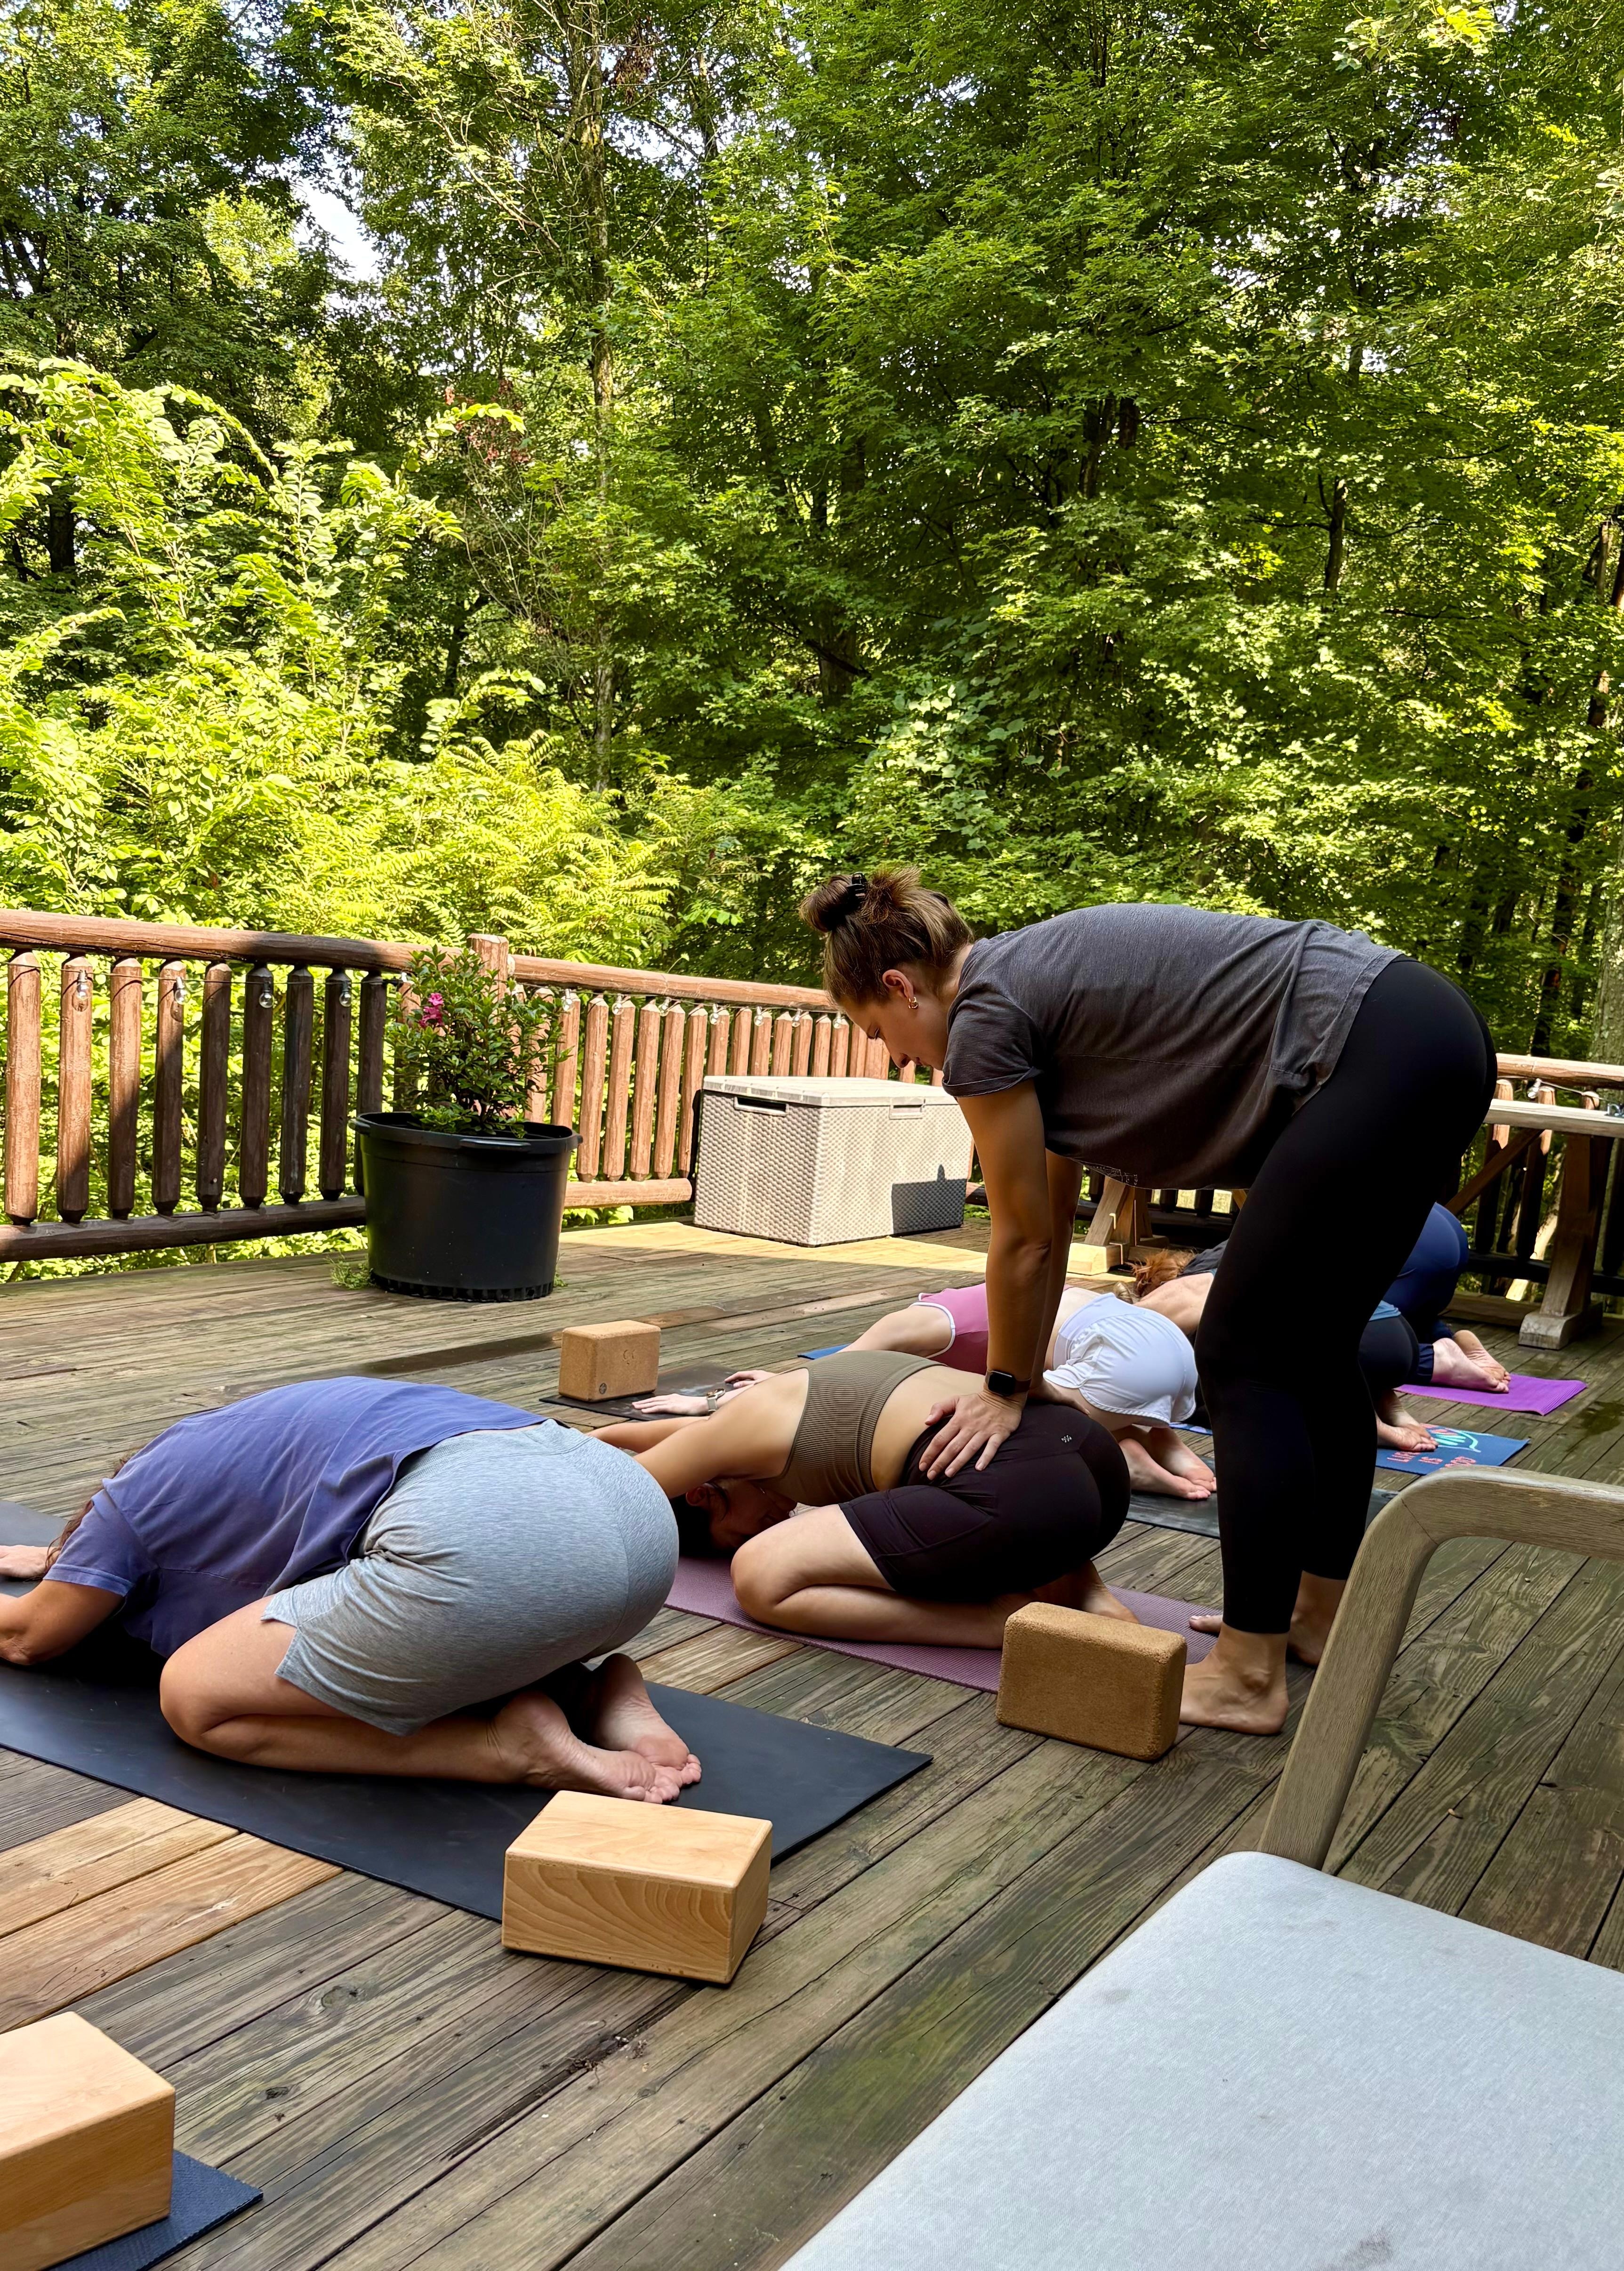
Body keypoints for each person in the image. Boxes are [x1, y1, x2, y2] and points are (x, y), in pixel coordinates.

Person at [800, 868, 1495, 1734]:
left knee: (1246, 1355)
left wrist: (1003, 1390)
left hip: (1373, 1046)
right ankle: (1318, 1615)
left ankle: (1247, 1672)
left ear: (900, 987)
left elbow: (1023, 1235)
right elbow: (1047, 1217)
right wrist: (1021, 1374)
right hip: (1428, 1029)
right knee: (1312, 1353)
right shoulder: (1022, 987)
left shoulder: (984, 1013)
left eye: (880, 1030)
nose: (901, 1056)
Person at [0, 1377, 699, 1802]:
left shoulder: (130, 1498)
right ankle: (585, 1687)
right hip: (630, 1511)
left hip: (503, 1539)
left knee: (197, 1697)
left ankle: (501, 1746)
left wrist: (72, 1570)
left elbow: (31, 1636)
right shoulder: (226, 1444)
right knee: (408, 1621)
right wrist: (72, 1556)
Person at [596, 1349, 1132, 1650]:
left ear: (701, 1491)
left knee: (759, 1576)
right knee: (973, 1477)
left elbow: (609, 1496)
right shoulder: (757, 1414)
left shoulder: (731, 1433)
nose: (772, 1521)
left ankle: (1001, 1620)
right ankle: (1088, 1594)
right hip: (1095, 1464)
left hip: (1027, 1495)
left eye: (742, 1527)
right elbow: (665, 1437)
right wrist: (587, 1437)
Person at [843, 1261, 1215, 1500]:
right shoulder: (1043, 1299)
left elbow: (848, 1363)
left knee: (991, 1422)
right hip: (1169, 1350)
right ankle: (1152, 1437)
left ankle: (1124, 1455)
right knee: (1039, 1397)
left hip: (1120, 1357)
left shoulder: (944, 1313)